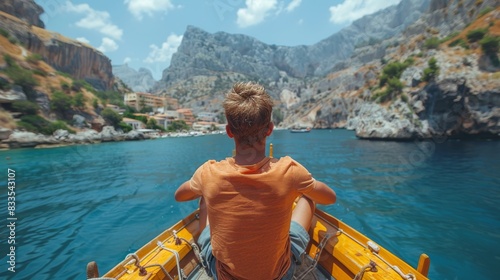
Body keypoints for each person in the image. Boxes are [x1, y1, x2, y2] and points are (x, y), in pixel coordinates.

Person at [175, 82, 336, 280]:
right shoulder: (290, 170)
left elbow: (179, 195)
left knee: (204, 199)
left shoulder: (208, 172)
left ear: (229, 131)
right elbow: (330, 197)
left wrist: (202, 188)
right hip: (279, 275)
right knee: (308, 198)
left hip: (225, 276)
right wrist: (302, 186)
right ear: (270, 129)